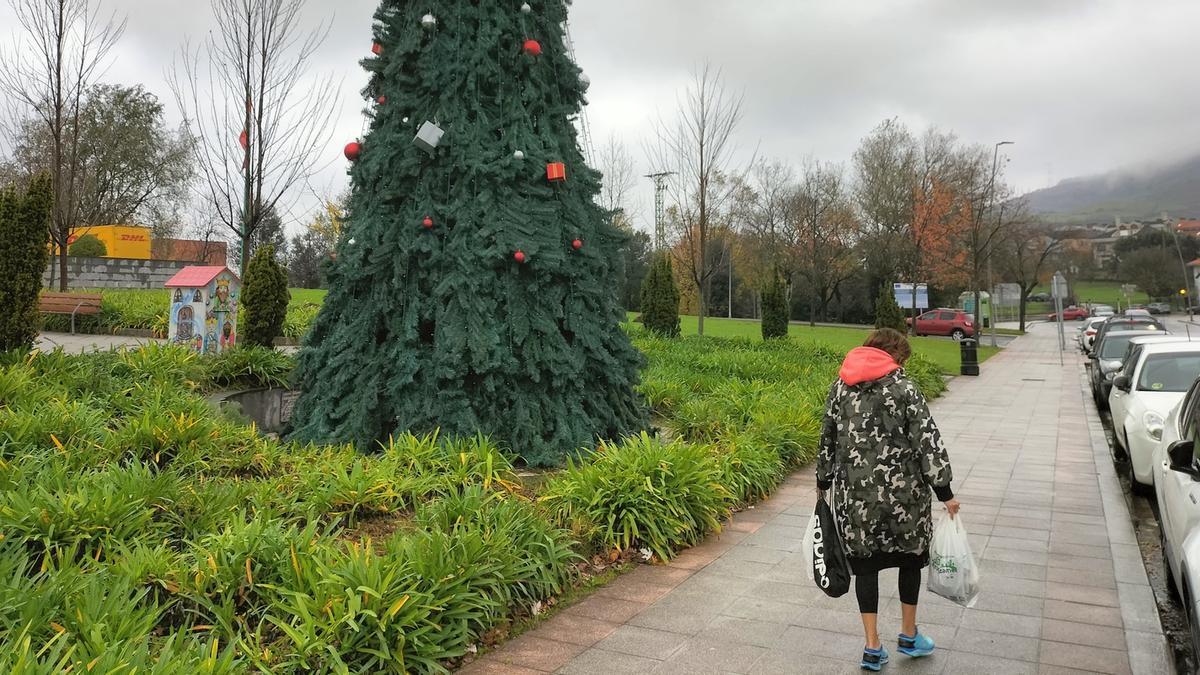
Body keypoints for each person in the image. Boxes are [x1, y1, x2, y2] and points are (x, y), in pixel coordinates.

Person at [816, 328, 960, 671]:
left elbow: (827, 437)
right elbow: (928, 440)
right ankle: (909, 635)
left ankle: (872, 646)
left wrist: (823, 481)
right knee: (909, 561)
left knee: (865, 567)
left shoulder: (841, 386)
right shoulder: (904, 388)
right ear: (895, 354)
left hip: (856, 499)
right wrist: (945, 493)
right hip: (904, 498)